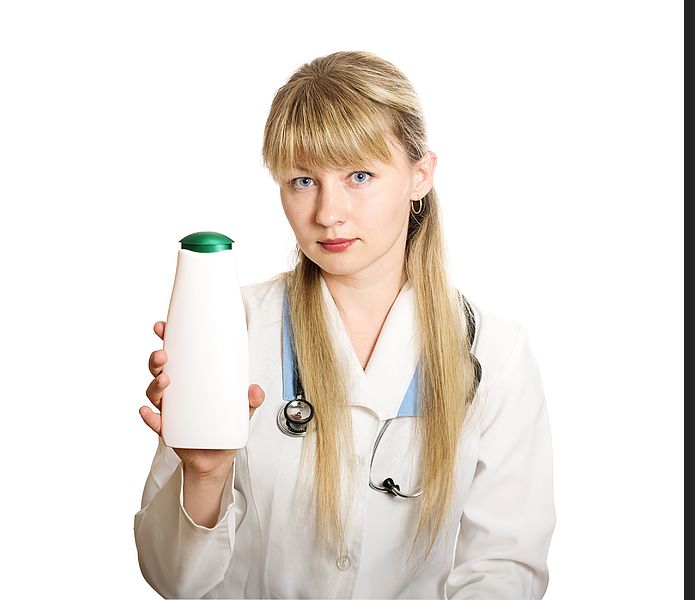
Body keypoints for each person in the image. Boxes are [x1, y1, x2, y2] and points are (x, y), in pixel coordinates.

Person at [134, 50, 555, 599]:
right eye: (302, 180)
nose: (328, 212)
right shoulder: (229, 327)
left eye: (359, 175)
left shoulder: (492, 353)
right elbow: (174, 581)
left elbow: (504, 568)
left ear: (420, 175)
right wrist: (205, 474)